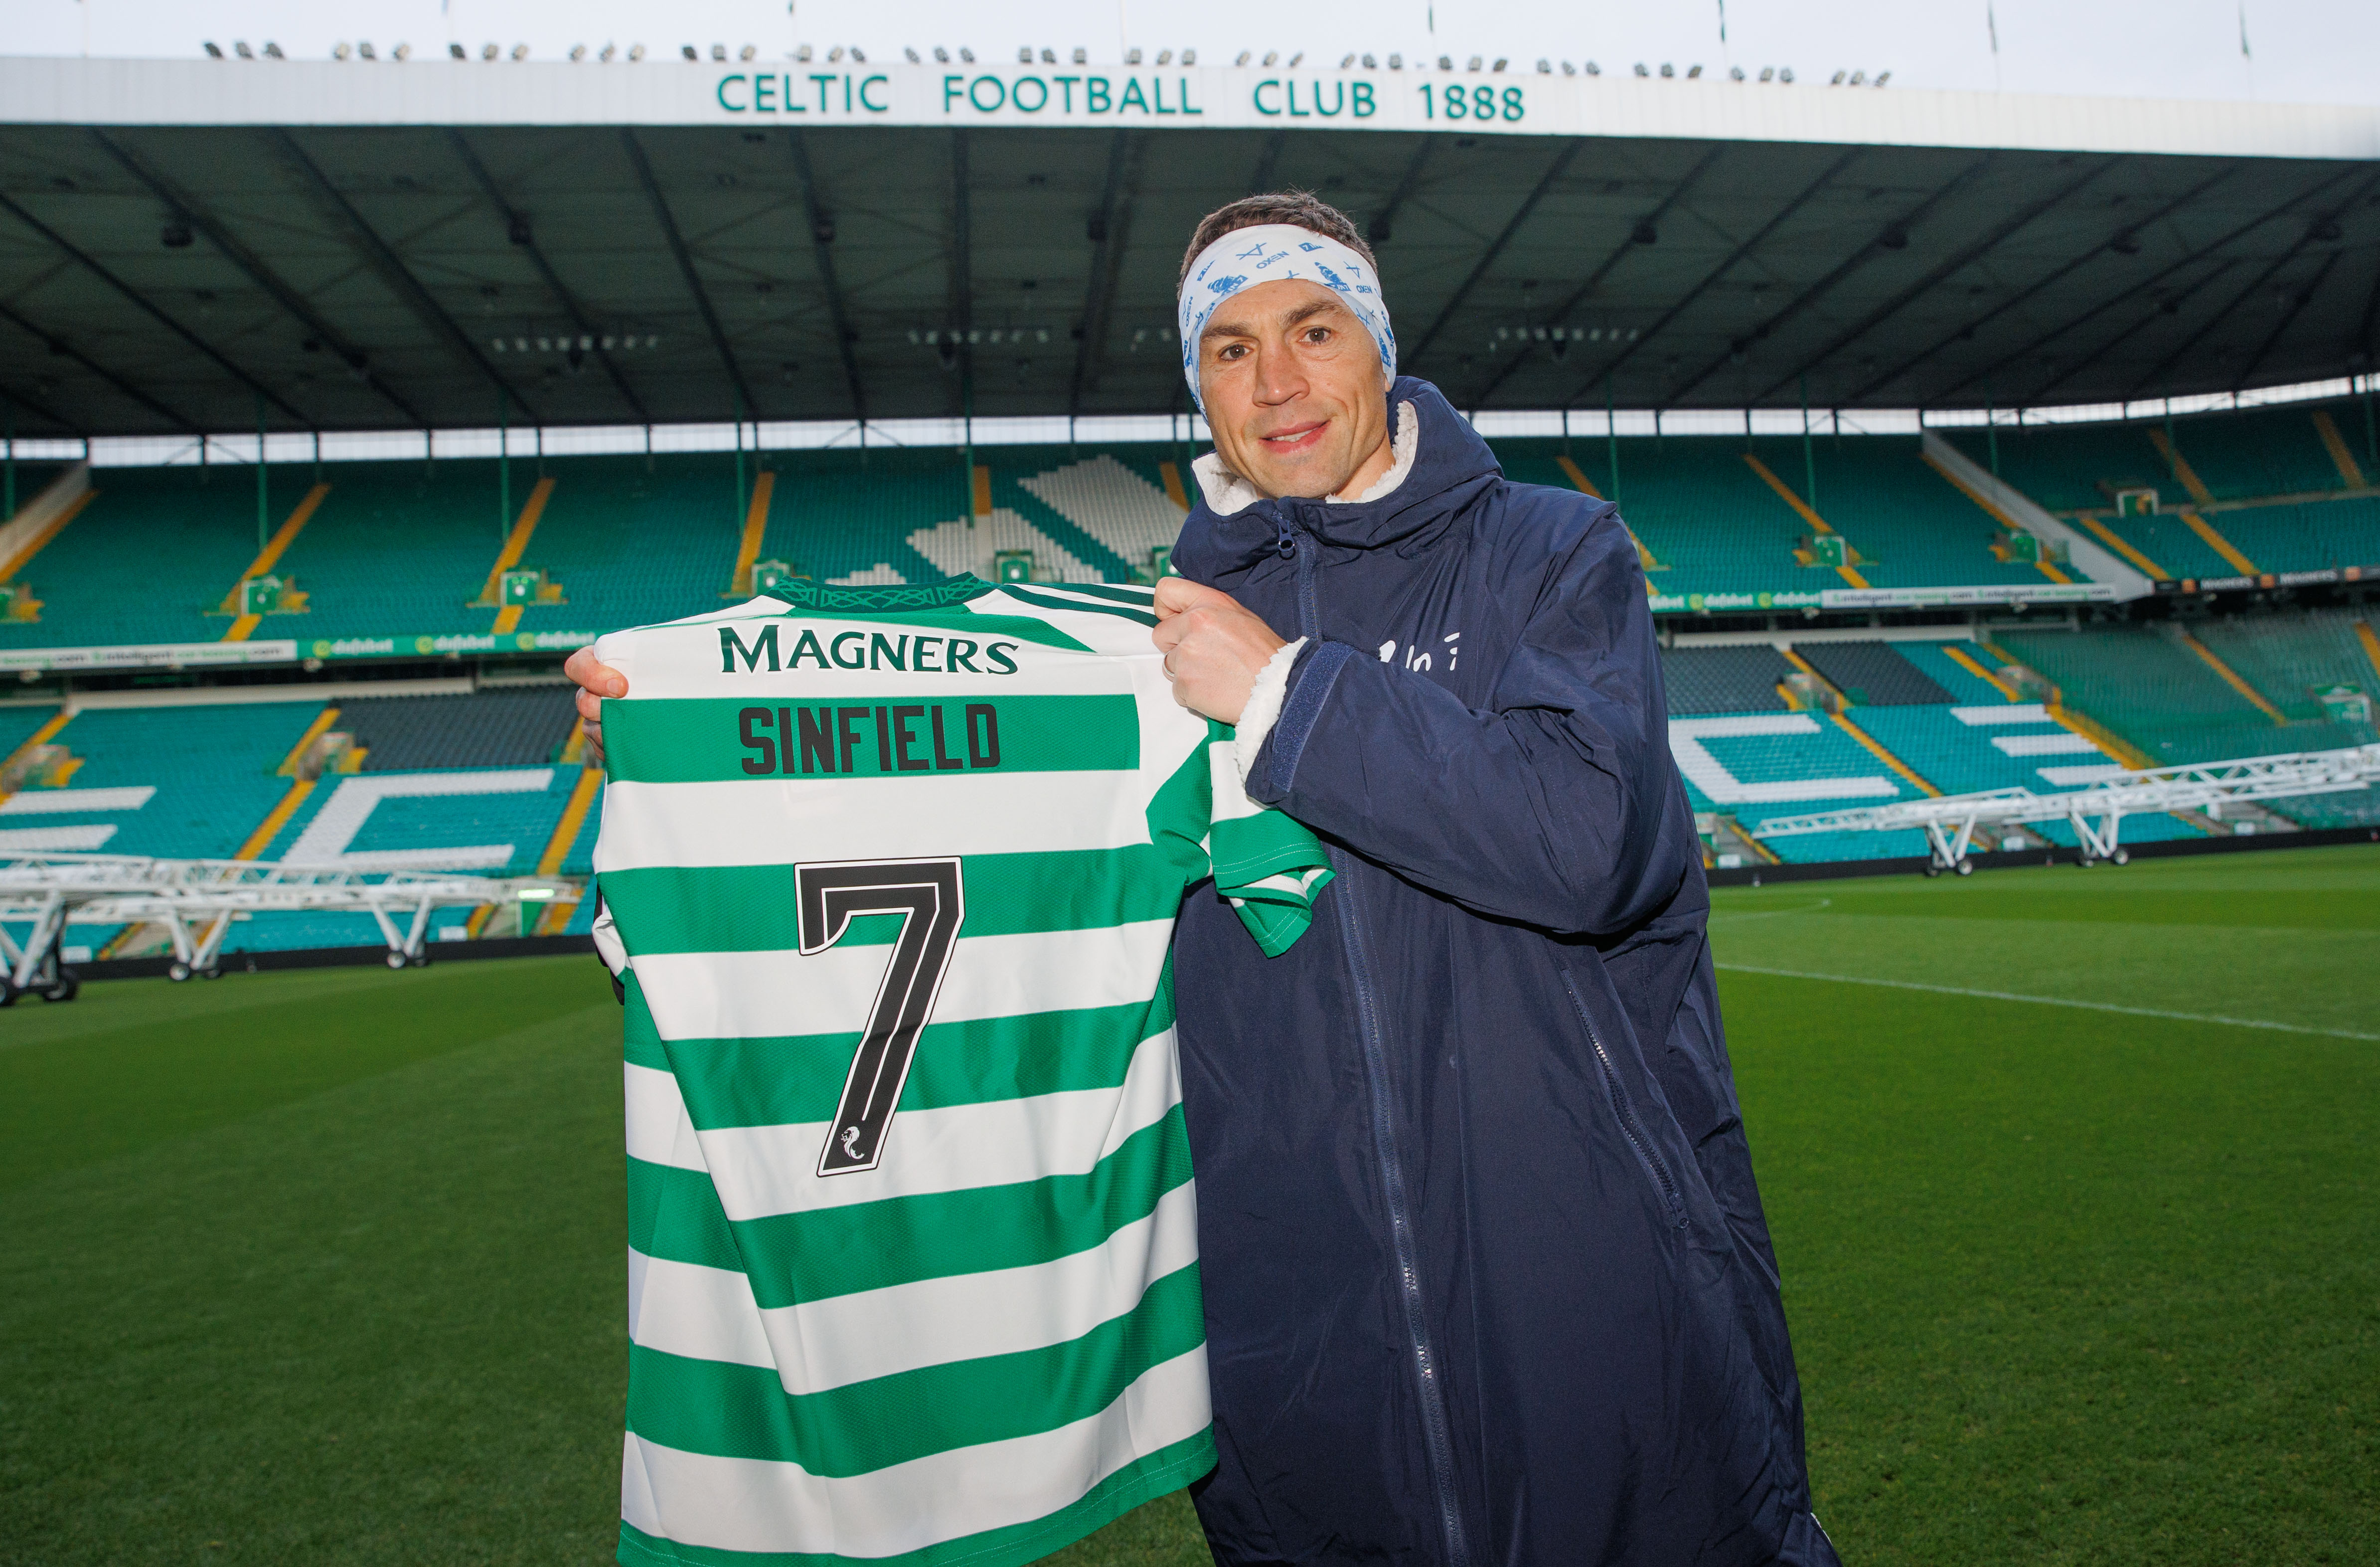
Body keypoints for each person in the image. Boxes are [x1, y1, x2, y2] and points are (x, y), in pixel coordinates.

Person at [567, 192, 1838, 1566]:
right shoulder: (1145, 644)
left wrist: (1285, 695)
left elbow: (1589, 843)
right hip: (1294, 1365)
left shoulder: (1549, 552)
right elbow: (991, 897)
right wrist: (704, 767)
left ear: (1381, 348)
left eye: (1312, 330)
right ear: (1197, 384)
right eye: (1228, 350)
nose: (1276, 382)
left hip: (1593, 1307)